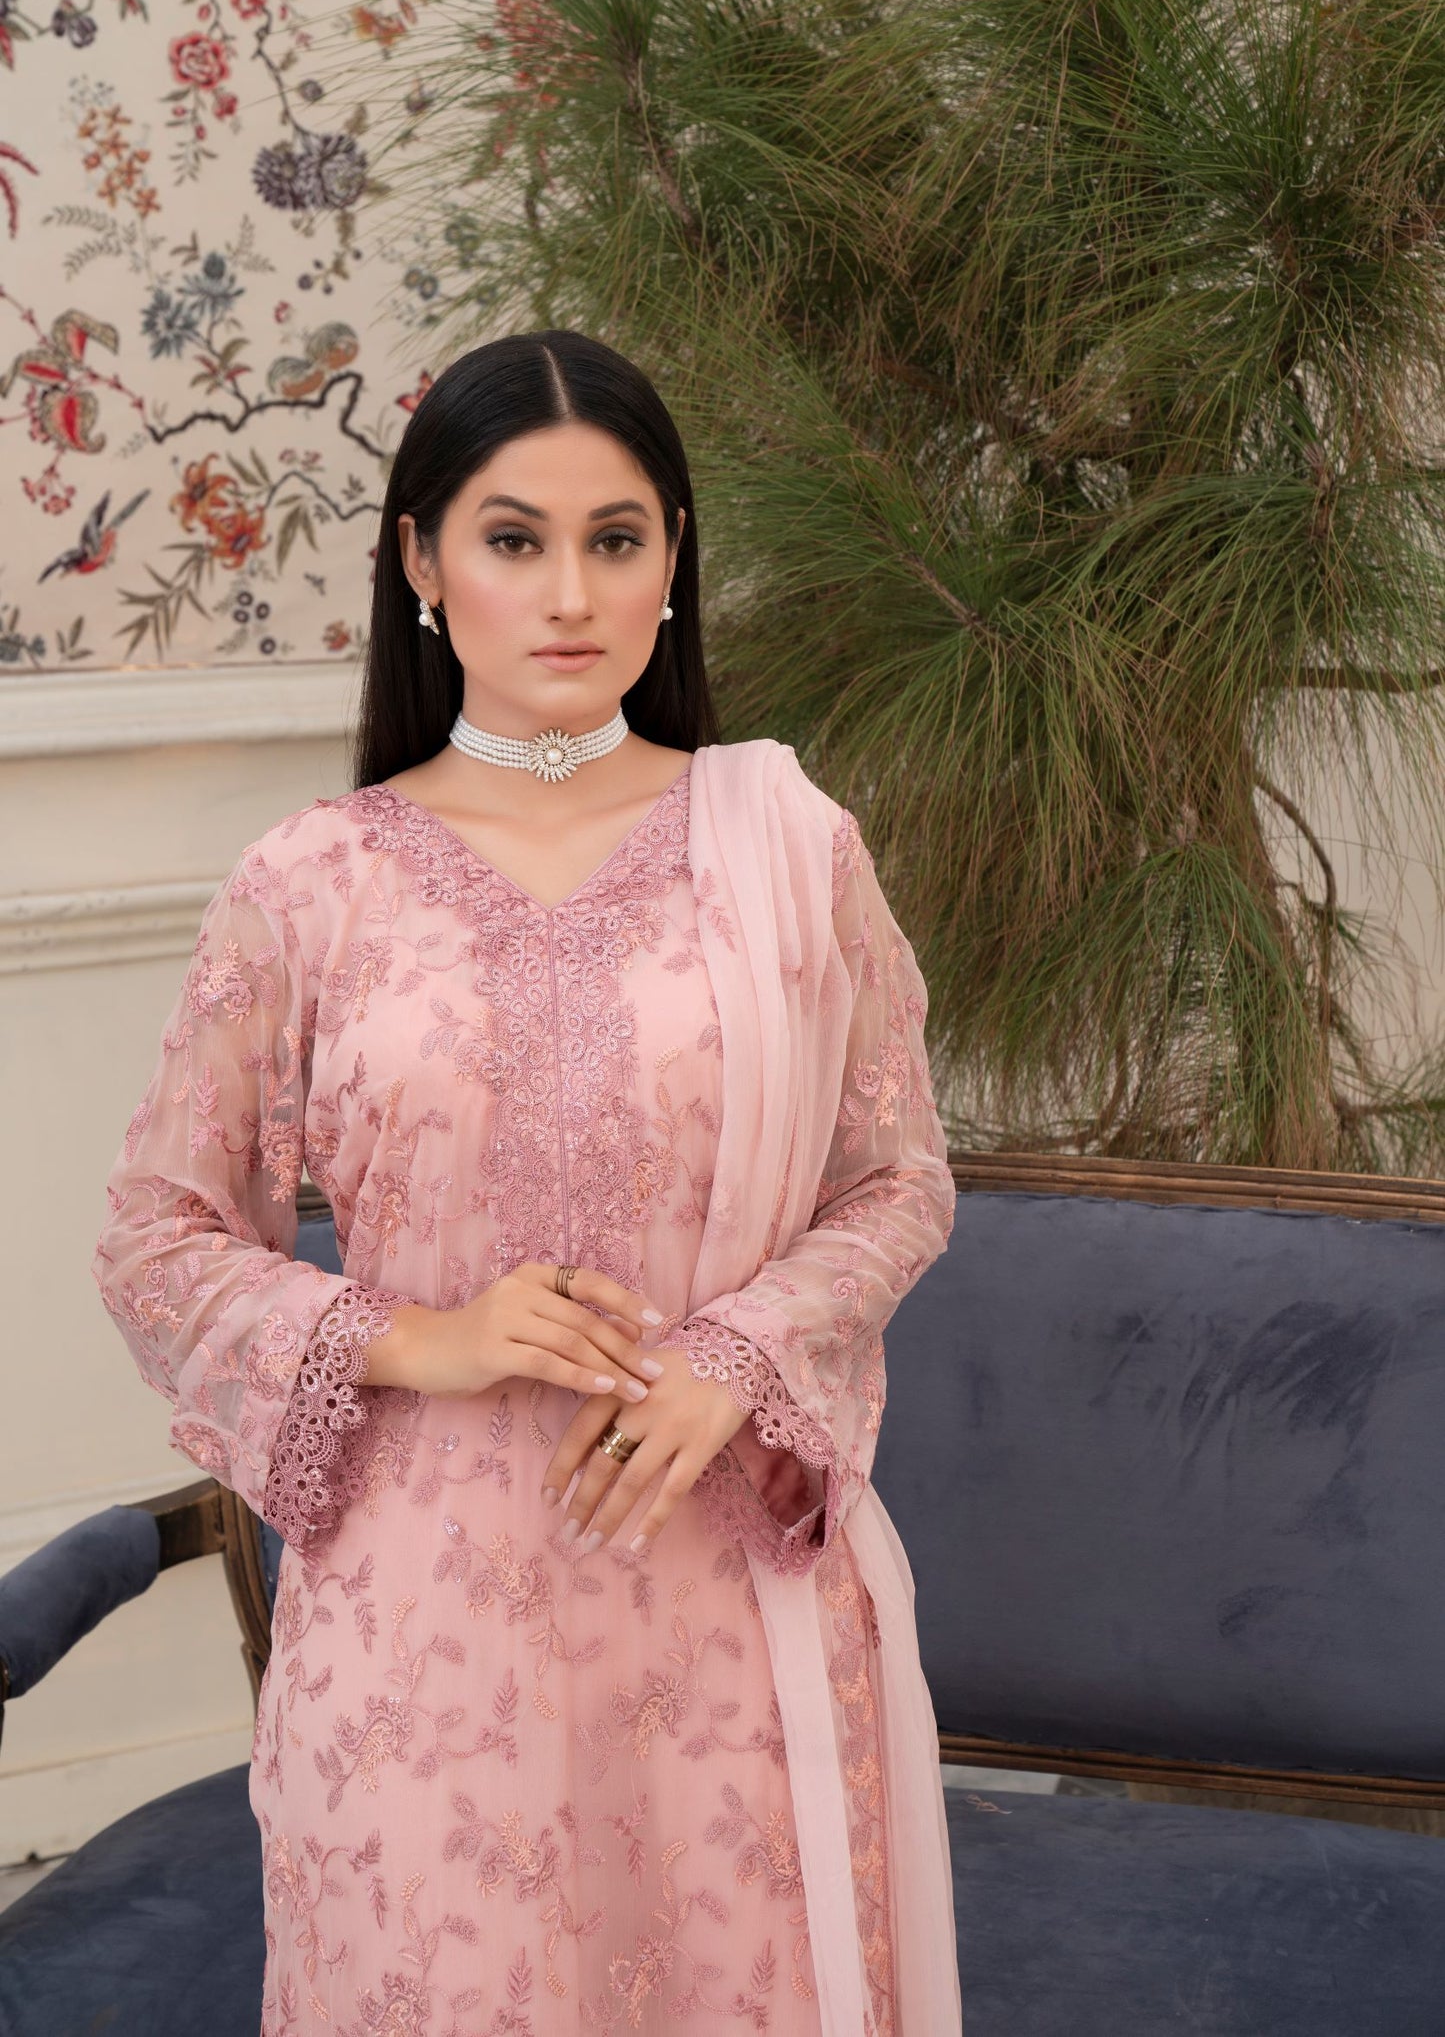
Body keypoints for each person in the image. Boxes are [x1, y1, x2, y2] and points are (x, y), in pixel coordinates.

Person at [93, 330, 962, 2036]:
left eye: (614, 539)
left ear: (672, 558)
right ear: (423, 562)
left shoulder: (787, 848)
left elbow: (896, 1178)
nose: (570, 593)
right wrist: (422, 1338)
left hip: (720, 1593)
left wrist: (734, 1359)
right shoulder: (314, 881)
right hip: (421, 1628)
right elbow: (155, 1237)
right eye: (512, 538)